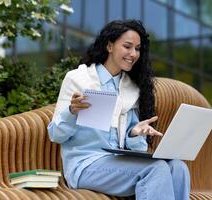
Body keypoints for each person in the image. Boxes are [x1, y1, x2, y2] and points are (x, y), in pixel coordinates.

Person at [48, 19, 190, 200]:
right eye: (128, 46)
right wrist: (71, 112)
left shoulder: (131, 89)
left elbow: (134, 149)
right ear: (109, 46)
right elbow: (56, 135)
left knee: (178, 167)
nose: (133, 54)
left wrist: (135, 133)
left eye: (137, 49)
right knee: (156, 169)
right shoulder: (78, 79)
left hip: (119, 163)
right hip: (85, 164)